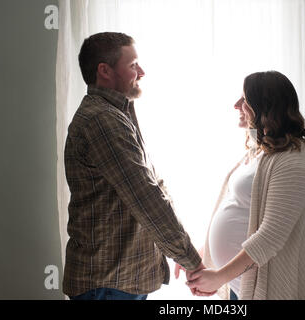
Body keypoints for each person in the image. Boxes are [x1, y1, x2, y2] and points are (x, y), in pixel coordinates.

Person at [62, 32, 206, 300]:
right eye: (133, 65)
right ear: (104, 71)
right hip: (107, 284)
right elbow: (145, 195)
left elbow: (153, 185)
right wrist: (189, 259)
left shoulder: (118, 113)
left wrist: (176, 248)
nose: (142, 72)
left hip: (119, 280)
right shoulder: (102, 120)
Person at [184, 71, 305, 299]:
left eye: (244, 99)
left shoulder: (294, 160)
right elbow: (237, 206)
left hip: (272, 288)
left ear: (266, 107)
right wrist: (205, 257)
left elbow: (270, 236)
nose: (236, 105)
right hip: (240, 285)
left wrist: (219, 276)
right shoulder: (259, 151)